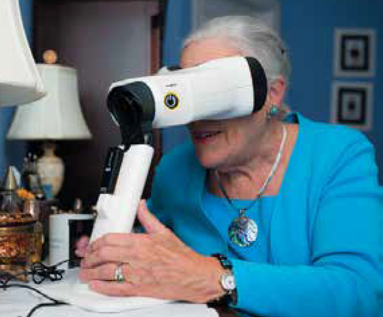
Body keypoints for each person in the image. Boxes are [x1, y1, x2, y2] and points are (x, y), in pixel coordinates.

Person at [76, 16, 381, 317]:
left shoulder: (336, 156)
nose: (195, 116)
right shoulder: (174, 169)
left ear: (272, 94)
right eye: (183, 92)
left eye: (211, 93)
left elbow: (360, 291)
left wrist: (211, 277)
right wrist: (118, 247)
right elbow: (157, 251)